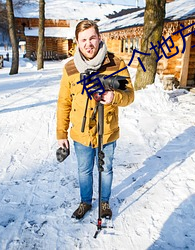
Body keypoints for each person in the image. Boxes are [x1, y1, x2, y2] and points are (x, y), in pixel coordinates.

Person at [56, 20, 134, 220]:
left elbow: (129, 95)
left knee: (106, 168)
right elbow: (64, 102)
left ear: (99, 38)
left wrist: (114, 97)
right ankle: (85, 202)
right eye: (83, 40)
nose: (88, 43)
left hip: (107, 130)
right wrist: (61, 134)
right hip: (81, 133)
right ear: (77, 42)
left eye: (92, 38)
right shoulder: (70, 68)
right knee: (84, 170)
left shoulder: (116, 64)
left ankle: (105, 202)